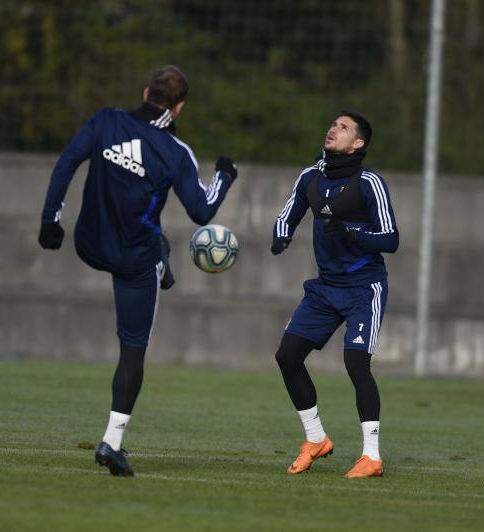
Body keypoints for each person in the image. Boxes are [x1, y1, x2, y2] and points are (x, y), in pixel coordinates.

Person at [37, 65, 238, 477]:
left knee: (148, 234)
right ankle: (112, 442)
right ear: (179, 107)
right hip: (133, 261)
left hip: (89, 244)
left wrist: (49, 220)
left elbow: (66, 163)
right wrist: (224, 175)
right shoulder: (175, 153)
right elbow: (202, 211)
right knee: (133, 349)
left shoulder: (106, 120)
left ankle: (159, 252)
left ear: (145, 91)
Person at [270, 111, 399, 478]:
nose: (333, 129)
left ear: (358, 143)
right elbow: (288, 214)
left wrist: (353, 234)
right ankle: (315, 439)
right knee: (287, 356)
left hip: (364, 287)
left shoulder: (369, 182)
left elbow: (391, 239)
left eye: (343, 128)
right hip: (325, 288)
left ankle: (371, 456)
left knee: (356, 364)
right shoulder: (311, 177)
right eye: (332, 124)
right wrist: (281, 235)